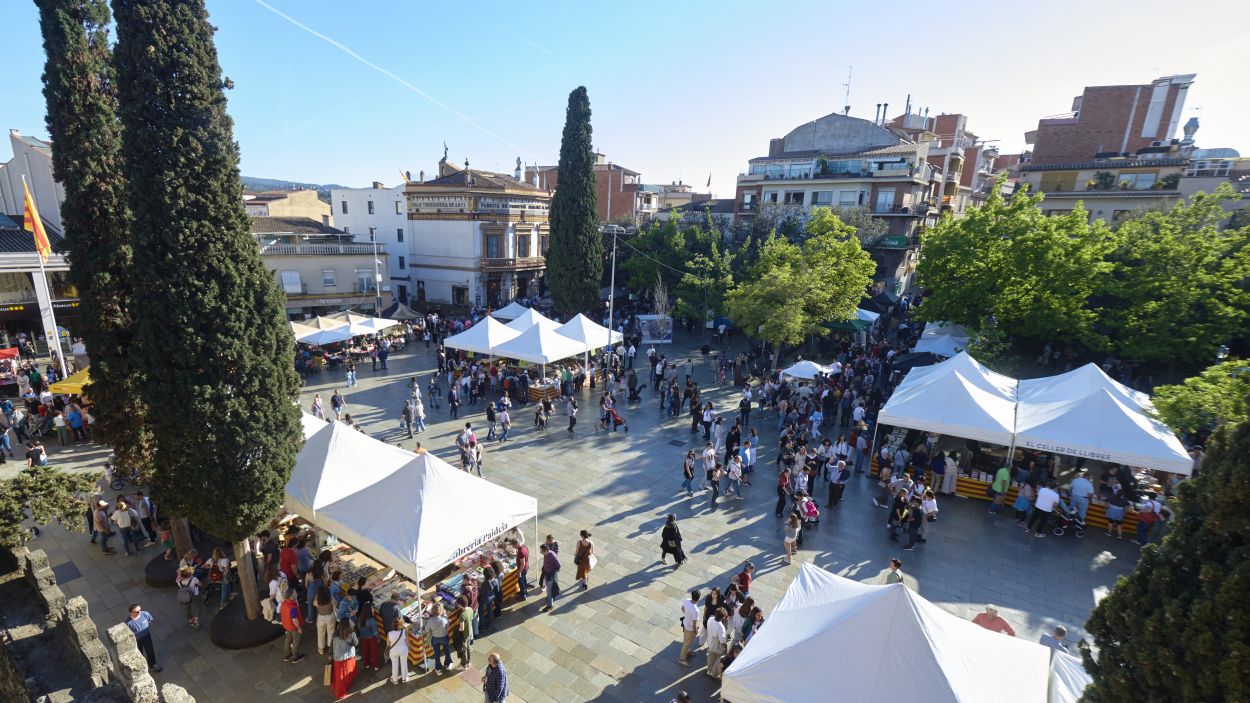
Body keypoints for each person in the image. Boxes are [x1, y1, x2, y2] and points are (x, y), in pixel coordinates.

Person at [125, 604, 161, 672]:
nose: (139, 612)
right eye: (137, 612)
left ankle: (152, 664)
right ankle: (141, 667)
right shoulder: (128, 623)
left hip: (146, 636)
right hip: (136, 639)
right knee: (139, 653)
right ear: (131, 613)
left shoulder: (145, 614)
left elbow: (149, 619)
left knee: (150, 651)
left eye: (140, 610)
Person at [330, 618, 359, 699]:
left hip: (338, 658)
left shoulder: (335, 633)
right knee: (348, 673)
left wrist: (330, 654)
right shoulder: (351, 633)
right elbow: (356, 643)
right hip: (349, 657)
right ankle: (341, 693)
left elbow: (331, 644)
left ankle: (340, 692)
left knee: (340, 676)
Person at [424, 602, 452, 673]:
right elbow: (447, 627)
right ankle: (448, 664)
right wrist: (445, 615)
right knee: (447, 650)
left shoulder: (430, 620)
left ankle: (438, 668)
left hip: (435, 638)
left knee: (436, 653)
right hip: (444, 636)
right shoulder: (445, 618)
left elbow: (426, 630)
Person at [279, 586, 305, 663]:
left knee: (288, 639)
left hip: (287, 625)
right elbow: (295, 620)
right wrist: (299, 628)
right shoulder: (292, 607)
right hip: (293, 627)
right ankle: (295, 657)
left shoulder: (284, 603)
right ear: (291, 596)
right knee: (295, 641)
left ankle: (287, 655)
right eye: (295, 593)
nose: (296, 593)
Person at [386, 614, 412, 684]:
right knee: (404, 663)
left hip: (393, 651)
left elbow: (388, 644)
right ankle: (404, 678)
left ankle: (395, 680)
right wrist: (409, 648)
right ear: (401, 624)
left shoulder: (389, 633)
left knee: (394, 665)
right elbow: (407, 642)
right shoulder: (404, 631)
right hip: (403, 650)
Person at [678, 589, 700, 667]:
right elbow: (694, 624)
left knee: (686, 641)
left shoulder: (686, 600)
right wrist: (696, 631)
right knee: (687, 643)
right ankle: (682, 659)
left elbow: (682, 608)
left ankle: (687, 652)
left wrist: (687, 615)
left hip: (685, 623)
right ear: (699, 598)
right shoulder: (696, 610)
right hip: (690, 629)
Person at [704, 607, 728, 678]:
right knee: (719, 658)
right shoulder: (721, 628)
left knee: (710, 657)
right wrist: (725, 650)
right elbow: (722, 641)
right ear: (723, 617)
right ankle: (713, 673)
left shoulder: (710, 619)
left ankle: (709, 670)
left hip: (710, 641)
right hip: (717, 646)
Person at [357, 602, 380, 672]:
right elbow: (375, 631)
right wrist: (378, 638)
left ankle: (366, 664)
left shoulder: (360, 618)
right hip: (372, 638)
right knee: (374, 652)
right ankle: (376, 666)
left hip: (363, 637)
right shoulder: (371, 620)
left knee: (365, 650)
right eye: (372, 608)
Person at [314, 586, 336, 655]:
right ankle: (330, 647)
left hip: (321, 618)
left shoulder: (317, 601)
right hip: (330, 617)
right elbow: (336, 604)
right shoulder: (330, 599)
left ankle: (321, 649)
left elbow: (313, 603)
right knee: (331, 632)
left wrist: (317, 595)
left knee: (320, 633)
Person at [452, 597, 473, 670]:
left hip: (464, 635)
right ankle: (469, 661)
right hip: (469, 632)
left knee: (463, 650)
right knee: (467, 647)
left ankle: (464, 665)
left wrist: (456, 627)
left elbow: (461, 628)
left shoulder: (462, 616)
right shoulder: (470, 609)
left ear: (460, 605)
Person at [540, 543, 561, 612]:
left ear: (546, 550)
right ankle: (550, 598)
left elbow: (559, 565)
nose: (540, 552)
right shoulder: (546, 554)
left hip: (550, 575)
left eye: (542, 551)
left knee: (549, 590)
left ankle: (550, 605)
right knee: (548, 589)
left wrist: (554, 572)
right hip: (546, 573)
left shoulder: (552, 555)